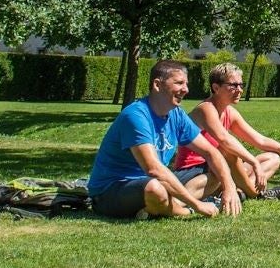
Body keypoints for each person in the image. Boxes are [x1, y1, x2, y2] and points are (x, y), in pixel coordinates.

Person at [87, 59, 242, 220]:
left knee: (216, 171)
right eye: (179, 83)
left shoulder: (176, 114)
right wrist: (197, 206)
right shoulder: (136, 116)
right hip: (110, 191)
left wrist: (229, 187)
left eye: (186, 84)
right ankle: (182, 210)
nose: (186, 89)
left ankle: (159, 206)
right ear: (157, 84)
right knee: (155, 188)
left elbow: (211, 152)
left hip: (154, 181)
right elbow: (153, 169)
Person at [174, 63, 280, 199]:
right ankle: (255, 194)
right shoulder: (206, 109)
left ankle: (241, 192)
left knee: (273, 158)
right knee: (227, 152)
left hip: (216, 169)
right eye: (233, 85)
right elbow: (224, 139)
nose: (239, 90)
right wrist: (254, 162)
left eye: (241, 85)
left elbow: (260, 140)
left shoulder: (229, 112)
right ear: (216, 87)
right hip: (194, 172)